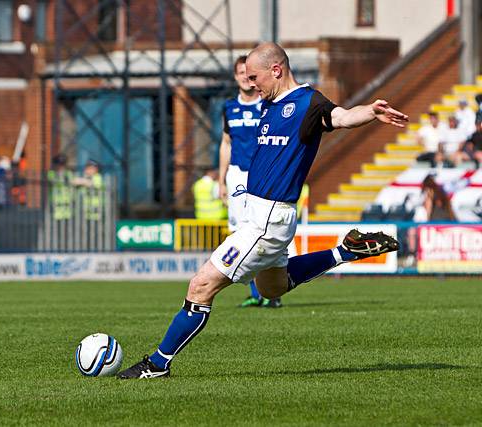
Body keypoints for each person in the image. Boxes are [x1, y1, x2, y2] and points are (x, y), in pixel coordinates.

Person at [117, 42, 406, 379]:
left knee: (200, 286)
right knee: (273, 288)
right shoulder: (269, 105)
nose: (251, 84)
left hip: (267, 220)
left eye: (254, 77)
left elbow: (339, 116)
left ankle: (157, 364)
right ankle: (346, 251)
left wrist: (370, 112)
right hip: (262, 216)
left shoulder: (307, 102)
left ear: (276, 70)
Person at [218, 55, 281, 308]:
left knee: (263, 230)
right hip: (237, 174)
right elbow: (226, 143)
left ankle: (271, 293)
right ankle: (257, 292)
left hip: (262, 174)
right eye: (240, 73)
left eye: (249, 72)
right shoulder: (229, 108)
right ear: (235, 76)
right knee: (240, 231)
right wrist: (222, 180)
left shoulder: (267, 104)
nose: (245, 77)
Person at [48, 154, 74, 220]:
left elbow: (72, 181)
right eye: (59, 164)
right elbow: (53, 181)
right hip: (56, 206)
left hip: (67, 207)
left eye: (62, 164)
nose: (61, 167)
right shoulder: (51, 173)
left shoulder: (69, 173)